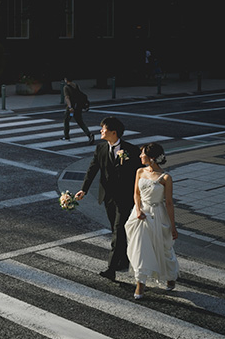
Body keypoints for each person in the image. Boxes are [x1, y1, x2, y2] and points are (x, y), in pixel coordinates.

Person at [75, 116, 140, 280]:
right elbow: (92, 169)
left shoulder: (130, 150)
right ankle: (124, 260)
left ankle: (111, 268)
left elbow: (138, 174)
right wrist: (84, 190)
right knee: (116, 229)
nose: (100, 131)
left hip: (124, 198)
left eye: (103, 129)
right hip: (107, 197)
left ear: (113, 132)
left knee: (118, 230)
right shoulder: (101, 149)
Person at [125, 143, 179, 299]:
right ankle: (140, 283)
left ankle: (170, 276)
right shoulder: (139, 171)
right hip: (140, 214)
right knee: (140, 248)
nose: (140, 156)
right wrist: (138, 210)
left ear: (152, 158)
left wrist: (173, 227)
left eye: (142, 154)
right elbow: (136, 194)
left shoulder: (166, 178)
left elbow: (169, 203)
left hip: (158, 214)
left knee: (164, 248)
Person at [61, 78, 94, 143]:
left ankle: (66, 136)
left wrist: (70, 107)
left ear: (66, 79)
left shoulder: (66, 87)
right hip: (78, 106)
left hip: (72, 107)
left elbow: (67, 97)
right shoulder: (76, 85)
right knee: (80, 121)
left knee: (66, 120)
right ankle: (89, 134)